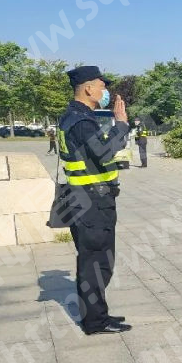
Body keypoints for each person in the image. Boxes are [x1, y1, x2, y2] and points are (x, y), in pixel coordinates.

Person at [58, 65, 131, 335]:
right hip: (91, 203)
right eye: (102, 86)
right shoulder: (81, 121)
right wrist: (121, 125)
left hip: (87, 199)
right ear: (88, 89)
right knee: (96, 263)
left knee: (98, 261)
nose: (105, 91)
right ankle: (95, 321)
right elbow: (105, 151)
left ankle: (98, 314)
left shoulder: (75, 116)